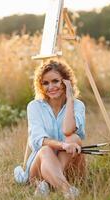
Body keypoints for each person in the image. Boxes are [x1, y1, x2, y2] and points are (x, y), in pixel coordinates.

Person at [14, 60, 86, 199]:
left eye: (55, 81)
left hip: (69, 167)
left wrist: (70, 98)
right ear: (40, 86)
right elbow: (38, 140)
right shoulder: (34, 106)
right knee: (45, 149)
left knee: (74, 138)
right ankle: (68, 191)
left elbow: (67, 130)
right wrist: (63, 145)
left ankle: (46, 184)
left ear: (66, 82)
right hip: (39, 165)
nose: (51, 87)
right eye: (45, 83)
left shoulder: (77, 105)